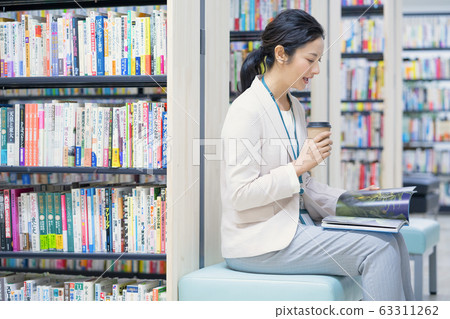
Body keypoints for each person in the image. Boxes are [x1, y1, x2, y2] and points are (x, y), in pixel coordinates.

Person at [220, 9, 414, 301]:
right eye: (310, 60)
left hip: (296, 228)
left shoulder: (295, 107)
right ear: (282, 53)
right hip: (258, 243)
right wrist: (298, 167)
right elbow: (239, 195)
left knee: (394, 238)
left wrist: (357, 202)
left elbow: (305, 187)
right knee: (379, 249)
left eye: (318, 60)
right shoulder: (246, 111)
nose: (316, 70)